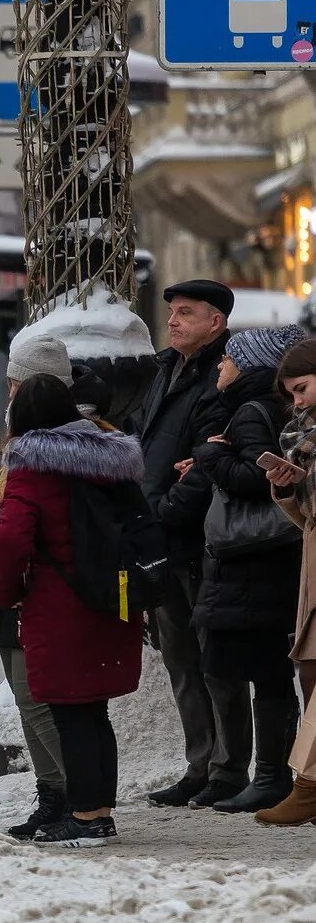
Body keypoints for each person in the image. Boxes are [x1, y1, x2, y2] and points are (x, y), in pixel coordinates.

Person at [0, 375, 145, 847]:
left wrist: (6, 593)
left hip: (60, 605)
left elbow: (11, 538)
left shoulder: (32, 467)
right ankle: (100, 812)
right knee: (93, 711)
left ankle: (85, 817)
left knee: (71, 712)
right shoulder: (110, 458)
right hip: (111, 598)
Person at [168, 326, 304, 813]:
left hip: (252, 559)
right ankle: (271, 775)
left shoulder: (249, 411)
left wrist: (208, 455)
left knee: (258, 669)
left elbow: (253, 477)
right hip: (270, 557)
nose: (221, 367)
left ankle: (268, 777)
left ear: (248, 366)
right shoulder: (274, 409)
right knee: (265, 667)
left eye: (229, 359)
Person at [137, 280, 246, 809]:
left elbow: (208, 458)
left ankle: (229, 767)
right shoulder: (164, 369)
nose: (174, 320)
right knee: (180, 657)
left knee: (214, 659)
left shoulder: (221, 377)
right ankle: (198, 763)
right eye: (172, 312)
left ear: (215, 323)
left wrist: (163, 509)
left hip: (199, 538)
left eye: (187, 313)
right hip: (161, 538)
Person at [0, 336, 73, 839]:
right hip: (14, 589)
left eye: (18, 383)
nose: (10, 393)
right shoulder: (16, 438)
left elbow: (29, 525)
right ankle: (53, 794)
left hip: (34, 590)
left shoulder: (59, 443)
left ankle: (76, 797)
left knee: (38, 700)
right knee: (25, 697)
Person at [258, 337, 316, 826]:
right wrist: (286, 489)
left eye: (302, 388)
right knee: (310, 676)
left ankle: (307, 788)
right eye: (291, 395)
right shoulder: (301, 438)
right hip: (313, 575)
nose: (297, 402)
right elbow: (308, 521)